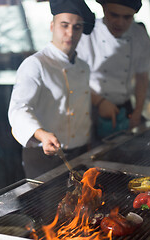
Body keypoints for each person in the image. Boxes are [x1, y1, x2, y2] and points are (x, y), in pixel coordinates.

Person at [8, 0, 95, 178]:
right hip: (44, 157)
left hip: (79, 153)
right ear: (52, 26)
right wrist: (42, 135)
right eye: (64, 25)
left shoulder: (83, 67)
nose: (70, 33)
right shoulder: (35, 64)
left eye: (77, 27)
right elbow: (18, 109)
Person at [77, 0, 150, 140]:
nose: (120, 22)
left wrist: (138, 110)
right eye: (114, 15)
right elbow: (75, 78)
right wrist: (100, 102)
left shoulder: (140, 35)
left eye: (127, 17)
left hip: (127, 106)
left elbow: (142, 76)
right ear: (104, 8)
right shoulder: (87, 34)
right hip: (93, 108)